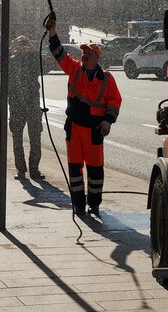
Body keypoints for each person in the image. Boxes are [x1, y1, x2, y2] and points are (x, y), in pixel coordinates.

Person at [46, 14, 122, 216]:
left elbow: (115, 101)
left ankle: (94, 203)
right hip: (75, 129)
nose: (84, 56)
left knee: (95, 171)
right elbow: (59, 54)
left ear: (97, 57)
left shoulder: (106, 78)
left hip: (95, 130)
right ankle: (78, 204)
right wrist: (52, 32)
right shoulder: (75, 70)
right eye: (83, 53)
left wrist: (108, 121)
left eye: (88, 53)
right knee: (75, 169)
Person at [8, 35, 44, 180]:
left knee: (35, 137)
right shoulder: (12, 59)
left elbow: (44, 67)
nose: (22, 47)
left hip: (32, 103)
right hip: (16, 104)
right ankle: (21, 168)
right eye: (20, 44)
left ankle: (34, 169)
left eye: (25, 44)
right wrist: (11, 50)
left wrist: (34, 52)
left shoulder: (33, 59)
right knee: (17, 138)